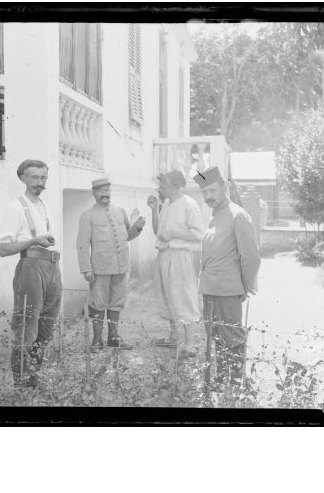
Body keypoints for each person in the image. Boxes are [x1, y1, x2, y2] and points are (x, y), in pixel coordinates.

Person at [193, 166, 261, 387]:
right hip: (210, 289)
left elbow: (251, 257)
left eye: (213, 190)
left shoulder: (237, 215)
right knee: (216, 336)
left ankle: (236, 383)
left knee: (232, 337)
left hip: (228, 290)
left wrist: (245, 287)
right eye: (205, 193)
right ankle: (222, 379)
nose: (208, 196)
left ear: (225, 188)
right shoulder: (215, 216)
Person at [0, 159, 62, 387]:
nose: (40, 182)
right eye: (34, 177)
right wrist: (34, 240)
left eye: (43, 177)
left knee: (46, 328)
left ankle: (33, 377)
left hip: (53, 268)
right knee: (27, 329)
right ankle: (20, 382)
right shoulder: (17, 206)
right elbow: (4, 249)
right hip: (31, 269)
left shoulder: (44, 205)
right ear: (23, 178)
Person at [76, 177, 146, 352]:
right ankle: (97, 340)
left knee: (117, 302)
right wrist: (86, 268)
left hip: (121, 266)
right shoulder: (87, 215)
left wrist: (137, 227)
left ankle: (113, 337)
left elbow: (127, 236)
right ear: (94, 193)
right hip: (100, 268)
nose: (104, 194)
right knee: (98, 303)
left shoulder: (120, 211)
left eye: (107, 191)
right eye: (100, 191)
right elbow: (82, 244)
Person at [147, 170, 203, 359]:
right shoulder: (167, 205)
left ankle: (191, 344)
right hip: (164, 255)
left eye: (164, 185)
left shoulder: (189, 204)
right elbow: (158, 231)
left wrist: (173, 235)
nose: (161, 188)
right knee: (167, 296)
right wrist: (154, 209)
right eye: (161, 185)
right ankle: (174, 337)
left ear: (177, 186)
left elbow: (197, 234)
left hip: (180, 257)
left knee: (183, 297)